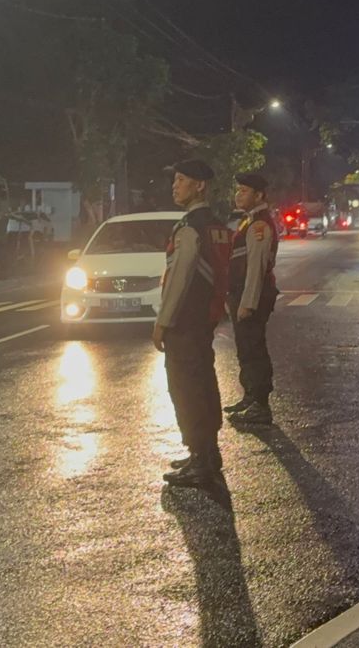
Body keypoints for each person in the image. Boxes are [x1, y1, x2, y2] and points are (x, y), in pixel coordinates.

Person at [154, 160, 232, 488]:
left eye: (182, 179)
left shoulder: (190, 227)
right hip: (205, 318)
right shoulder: (217, 226)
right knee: (203, 383)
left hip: (185, 322)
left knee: (185, 388)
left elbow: (179, 278)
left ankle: (201, 460)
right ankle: (208, 452)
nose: (175, 185)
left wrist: (162, 322)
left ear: (200, 186)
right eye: (174, 180)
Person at [225, 172, 280, 426]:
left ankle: (260, 405)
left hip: (253, 297)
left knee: (253, 349)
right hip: (241, 294)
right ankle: (250, 396)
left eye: (244, 191)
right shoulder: (248, 221)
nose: (239, 195)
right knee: (245, 349)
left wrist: (247, 303)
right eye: (238, 190)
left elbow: (256, 268)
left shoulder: (260, 225)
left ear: (259, 195)